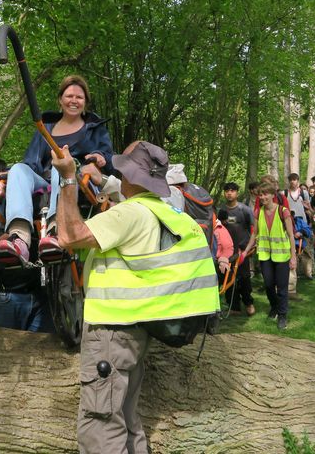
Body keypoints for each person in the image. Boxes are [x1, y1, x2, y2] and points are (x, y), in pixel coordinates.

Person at [53, 141, 218, 453]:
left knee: (100, 421)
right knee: (126, 419)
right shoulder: (166, 211)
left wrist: (67, 179)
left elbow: (69, 236)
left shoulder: (129, 214)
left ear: (129, 174)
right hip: (136, 331)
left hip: (110, 332)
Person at [0, 75, 114, 262]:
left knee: (62, 164)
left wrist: (100, 157)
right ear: (60, 100)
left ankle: (55, 229)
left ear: (86, 102)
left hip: (79, 180)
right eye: (69, 96)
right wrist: (12, 174)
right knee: (18, 169)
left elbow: (108, 157)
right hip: (46, 179)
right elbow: (31, 162)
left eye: (79, 97)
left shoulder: (95, 128)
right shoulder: (46, 126)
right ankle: (19, 236)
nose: (73, 100)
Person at [0, 156, 54, 332]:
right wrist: (4, 240)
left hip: (42, 294)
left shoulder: (35, 201)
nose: (0, 190)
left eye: (4, 183)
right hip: (6, 295)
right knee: (5, 351)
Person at [242, 182, 296, 330]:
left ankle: (282, 315)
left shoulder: (283, 211)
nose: (262, 197)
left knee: (282, 288)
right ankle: (274, 307)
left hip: (282, 256)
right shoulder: (258, 212)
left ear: (273, 195)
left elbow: (291, 236)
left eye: (265, 194)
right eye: (260, 194)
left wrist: (293, 257)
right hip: (265, 255)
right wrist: (246, 251)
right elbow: (255, 234)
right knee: (268, 285)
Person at [219, 182, 255, 315]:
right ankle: (234, 306)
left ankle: (249, 303)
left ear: (237, 193)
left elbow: (253, 230)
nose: (229, 193)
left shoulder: (245, 210)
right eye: (227, 190)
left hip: (242, 252)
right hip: (227, 252)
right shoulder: (221, 211)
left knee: (244, 278)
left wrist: (249, 248)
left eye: (232, 191)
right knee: (228, 279)